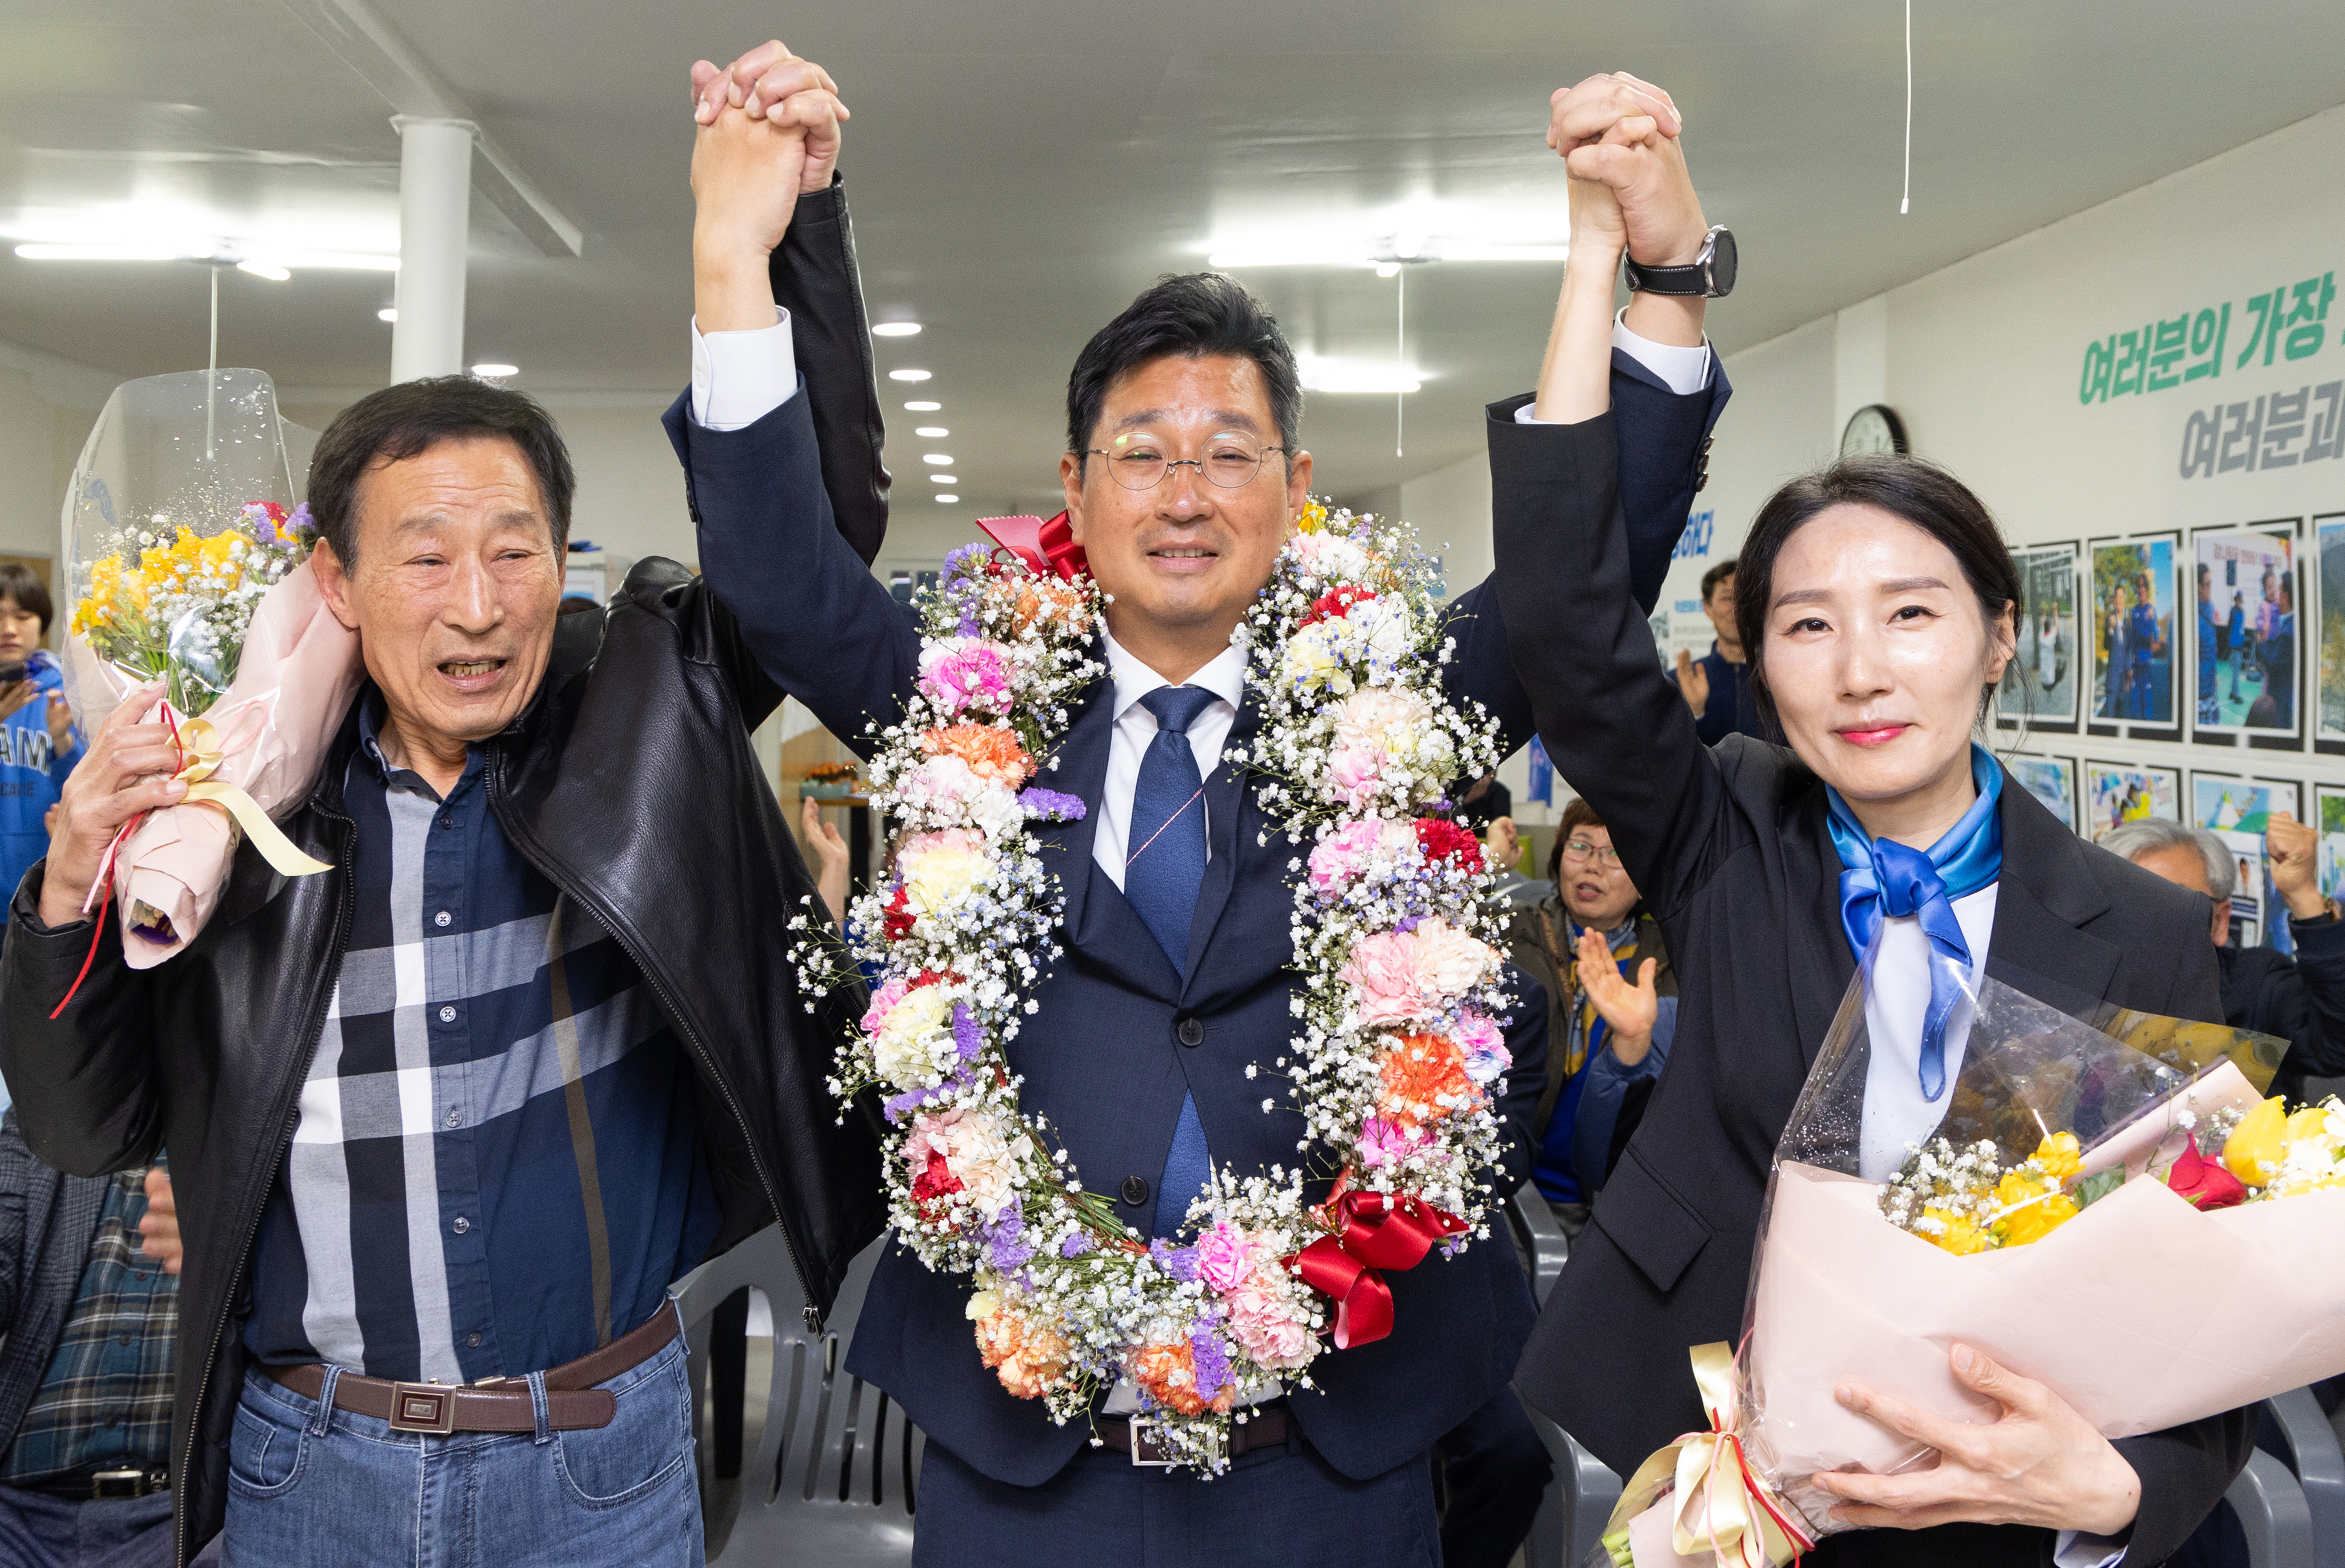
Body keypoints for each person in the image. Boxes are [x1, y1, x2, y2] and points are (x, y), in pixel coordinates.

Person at [669, 45, 1725, 1564]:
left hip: (1332, 1461)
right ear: (1074, 489)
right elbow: (774, 575)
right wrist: (735, 257)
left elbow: (1589, 575)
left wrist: (1671, 274)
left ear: (1292, 488)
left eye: (1228, 454)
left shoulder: (1397, 706)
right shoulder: (961, 693)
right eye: (1141, 456)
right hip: (1027, 1462)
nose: (1183, 492)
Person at [1, 51, 889, 1567]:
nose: (477, 606)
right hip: (307, 1473)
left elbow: (817, 536)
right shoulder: (242, 825)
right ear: (334, 581)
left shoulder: (641, 721)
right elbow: (87, 1123)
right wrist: (75, 877)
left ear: (564, 559)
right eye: (424, 557)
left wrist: (786, 229)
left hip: (600, 1466)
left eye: (515, 550)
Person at [1495, 72, 2250, 1566]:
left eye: (1909, 614)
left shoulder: (2139, 926)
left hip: (1997, 1501)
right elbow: (1570, 627)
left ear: (1997, 636)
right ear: (1756, 662)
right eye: (1805, 627)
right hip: (1722, 1476)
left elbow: (2203, 1288)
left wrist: (2111, 1499)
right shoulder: (1726, 832)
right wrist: (1601, 251)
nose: (1859, 673)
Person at [0, 1113, 178, 1568]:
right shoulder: (42, 1123)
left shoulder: (259, 1134)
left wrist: (217, 1239)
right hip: (17, 1514)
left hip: (185, 1516)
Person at [1503, 799, 1677, 1237]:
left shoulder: (1669, 961)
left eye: (1616, 853)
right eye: (1581, 846)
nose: (1594, 866)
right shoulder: (1509, 932)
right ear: (1559, 854)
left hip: (1613, 1205)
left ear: (1644, 879)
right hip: (1505, 1187)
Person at [2099, 816, 2344, 1104]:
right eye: (2132, 904)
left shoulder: (2255, 984)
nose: (2150, 923)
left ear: (2221, 921)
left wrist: (2303, 895)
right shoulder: (2076, 982)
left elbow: (2336, 1046)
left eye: (2174, 904)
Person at [0, 564, 81, 928]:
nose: (9, 630)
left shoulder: (66, 688)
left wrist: (63, 739)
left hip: (41, 884)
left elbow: (86, 788)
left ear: (42, 621)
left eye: (23, 616)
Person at [1668, 557, 1764, 743]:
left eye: (1746, 597)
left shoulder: (1784, 678)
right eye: (1727, 598)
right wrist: (1696, 713)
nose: (1737, 608)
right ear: (1708, 608)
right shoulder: (1678, 683)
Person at [2128, 569, 2163, 721]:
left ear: (2147, 590)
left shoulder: (2151, 610)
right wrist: (2129, 664)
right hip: (2135, 664)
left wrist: (2153, 626)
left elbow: (2157, 641)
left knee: (2147, 701)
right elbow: (2131, 640)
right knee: (2135, 702)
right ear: (2137, 590)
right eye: (2139, 587)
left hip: (2146, 664)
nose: (2141, 589)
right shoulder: (2134, 611)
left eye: (2144, 587)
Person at [2196, 563, 2218, 726]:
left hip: (2212, 691)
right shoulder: (2192, 617)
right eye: (2208, 584)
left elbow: (2212, 646)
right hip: (2200, 695)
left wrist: (2215, 673)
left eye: (2211, 583)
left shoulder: (2210, 607)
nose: (2211, 587)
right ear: (2199, 587)